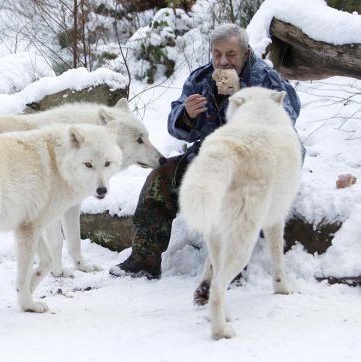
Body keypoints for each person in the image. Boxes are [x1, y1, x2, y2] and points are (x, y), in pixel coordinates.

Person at [110, 23, 302, 279]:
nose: (223, 62)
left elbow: (288, 118)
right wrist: (186, 115)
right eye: (217, 54)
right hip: (210, 158)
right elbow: (175, 128)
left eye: (231, 55)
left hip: (255, 164)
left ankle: (230, 266)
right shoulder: (200, 80)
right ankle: (144, 259)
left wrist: (247, 109)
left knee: (233, 190)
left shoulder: (266, 80)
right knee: (160, 179)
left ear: (245, 53)